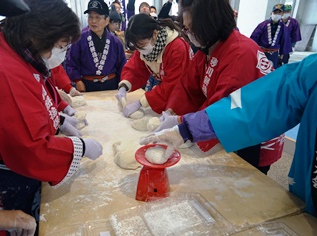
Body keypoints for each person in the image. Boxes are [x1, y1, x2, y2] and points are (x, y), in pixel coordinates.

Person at [0, 0, 103, 235]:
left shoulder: (12, 52)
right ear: (38, 36)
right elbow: (29, 148)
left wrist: (57, 117)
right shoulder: (6, 71)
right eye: (60, 45)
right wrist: (78, 148)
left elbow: (30, 102)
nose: (62, 52)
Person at [140, 53, 317, 216]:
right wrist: (185, 128)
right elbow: (256, 104)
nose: (190, 32)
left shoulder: (240, 53)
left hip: (257, 141)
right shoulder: (313, 70)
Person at [153, 0, 284, 174]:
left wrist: (182, 125)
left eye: (192, 28)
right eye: (186, 28)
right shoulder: (209, 47)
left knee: (244, 181)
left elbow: (224, 104)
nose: (188, 34)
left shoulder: (239, 53)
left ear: (210, 23)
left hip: (256, 132)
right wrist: (171, 111)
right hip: (232, 119)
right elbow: (188, 88)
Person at [115, 13, 192, 117]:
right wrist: (124, 86)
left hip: (184, 98)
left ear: (155, 34)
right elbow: (135, 69)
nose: (139, 50)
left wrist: (141, 102)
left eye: (141, 45)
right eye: (137, 47)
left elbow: (173, 85)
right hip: (167, 95)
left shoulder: (176, 48)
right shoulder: (145, 47)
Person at [65, 0, 126, 92]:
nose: (93, 21)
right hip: (87, 85)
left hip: (111, 85)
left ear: (107, 20)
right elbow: (71, 63)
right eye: (90, 17)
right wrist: (77, 81)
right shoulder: (79, 40)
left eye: (98, 18)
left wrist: (122, 85)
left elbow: (122, 65)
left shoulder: (115, 42)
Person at [250, 4, 290, 69]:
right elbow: (254, 38)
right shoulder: (262, 25)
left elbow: (284, 41)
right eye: (275, 12)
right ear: (271, 13)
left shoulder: (283, 27)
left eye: (279, 13)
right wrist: (253, 50)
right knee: (259, 69)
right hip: (262, 52)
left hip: (274, 53)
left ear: (282, 14)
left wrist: (282, 54)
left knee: (272, 70)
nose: (277, 14)